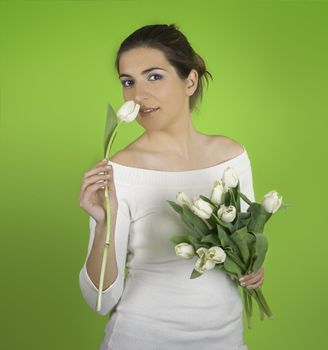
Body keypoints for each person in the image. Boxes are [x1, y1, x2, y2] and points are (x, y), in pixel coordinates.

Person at [77, 24, 264, 350]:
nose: (138, 95)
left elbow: (242, 243)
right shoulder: (118, 171)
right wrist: (105, 222)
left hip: (226, 341)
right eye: (128, 82)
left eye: (154, 76)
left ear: (189, 81)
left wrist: (252, 269)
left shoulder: (232, 156)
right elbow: (99, 301)